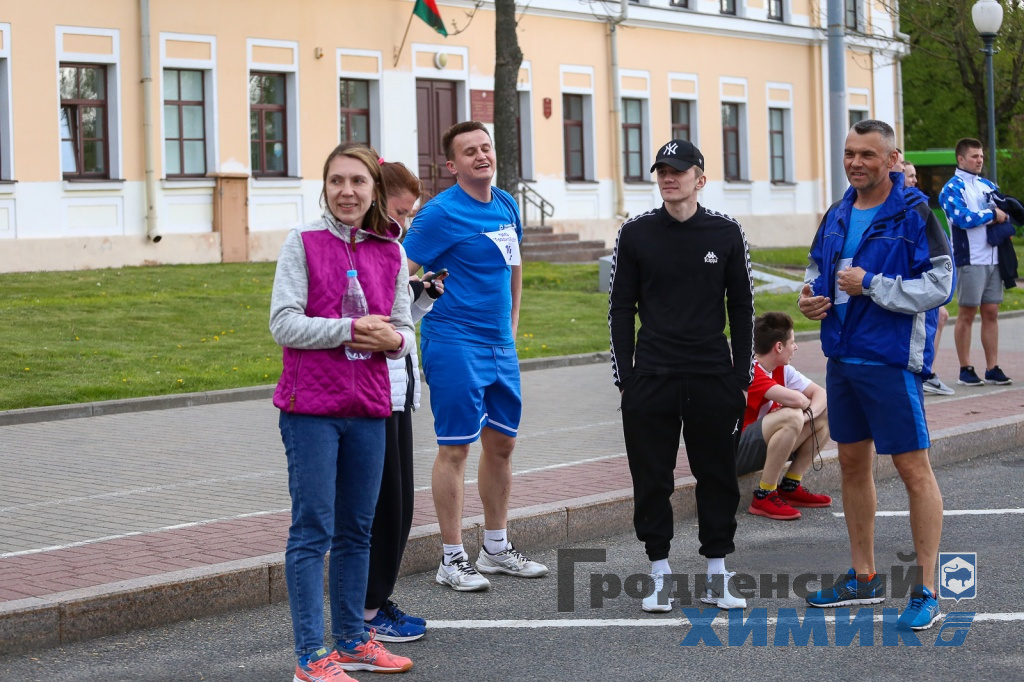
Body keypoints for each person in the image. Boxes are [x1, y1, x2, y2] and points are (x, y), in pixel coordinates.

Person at [799, 119, 952, 631]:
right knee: (850, 465)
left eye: (867, 154)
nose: (855, 162)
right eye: (849, 153)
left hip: (890, 362)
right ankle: (863, 579)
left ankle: (927, 590)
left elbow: (940, 284)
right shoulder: (837, 213)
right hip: (842, 360)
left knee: (913, 471)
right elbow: (814, 266)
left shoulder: (916, 214)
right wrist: (808, 299)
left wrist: (873, 285)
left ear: (891, 159)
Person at [270, 143, 416, 680]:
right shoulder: (302, 243)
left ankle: (354, 639)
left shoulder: (391, 251)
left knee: (359, 530)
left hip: (370, 408)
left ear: (373, 189)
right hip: (310, 409)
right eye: (337, 181)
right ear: (325, 187)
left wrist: (392, 340)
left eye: (357, 181)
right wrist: (351, 330)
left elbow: (403, 328)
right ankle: (311, 657)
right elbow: (284, 323)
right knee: (313, 531)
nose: (347, 191)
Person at [609, 138, 754, 613]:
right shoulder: (635, 233)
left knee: (717, 477)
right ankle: (659, 573)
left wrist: (739, 379)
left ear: (700, 178)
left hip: (713, 376)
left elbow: (743, 309)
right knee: (652, 478)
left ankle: (717, 571)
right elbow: (620, 309)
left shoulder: (727, 233)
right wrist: (626, 379)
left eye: (678, 170)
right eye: (661, 171)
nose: (668, 178)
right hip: (651, 378)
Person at [402, 121, 548, 592]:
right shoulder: (439, 215)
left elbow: (514, 266)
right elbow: (397, 272)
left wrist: (511, 329)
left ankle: (496, 548)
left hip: (498, 345)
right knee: (456, 448)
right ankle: (451, 557)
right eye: (470, 152)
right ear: (452, 165)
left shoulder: (505, 203)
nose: (482, 156)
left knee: (502, 445)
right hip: (454, 343)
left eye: (486, 147)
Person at [362, 160, 446, 642]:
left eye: (412, 214)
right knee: (381, 510)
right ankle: (367, 614)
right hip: (374, 397)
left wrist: (420, 296)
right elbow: (376, 327)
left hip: (397, 394)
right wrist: (399, 327)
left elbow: (397, 321)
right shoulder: (374, 252)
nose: (407, 224)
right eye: (401, 211)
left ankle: (375, 603)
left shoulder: (390, 251)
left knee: (398, 508)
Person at [739, 312, 832, 521]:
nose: (796, 347)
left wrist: (804, 418)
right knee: (791, 416)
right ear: (778, 347)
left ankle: (790, 486)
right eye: (793, 342)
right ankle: (765, 494)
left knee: (824, 414)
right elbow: (800, 402)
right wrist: (800, 414)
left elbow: (822, 395)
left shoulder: (783, 369)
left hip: (761, 444)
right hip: (732, 453)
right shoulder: (750, 371)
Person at [940, 137, 1013, 387]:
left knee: (991, 312)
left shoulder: (987, 184)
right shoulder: (951, 188)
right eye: (974, 156)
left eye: (981, 156)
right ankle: (965, 368)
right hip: (969, 258)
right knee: (967, 313)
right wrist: (992, 214)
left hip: (993, 257)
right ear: (961, 159)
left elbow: (1003, 212)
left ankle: (992, 367)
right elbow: (962, 218)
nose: (979, 160)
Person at [898, 157, 954, 394]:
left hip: (927, 292)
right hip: (911, 300)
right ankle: (925, 373)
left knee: (939, 317)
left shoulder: (918, 208)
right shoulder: (905, 208)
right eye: (907, 173)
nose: (912, 179)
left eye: (911, 174)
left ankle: (926, 371)